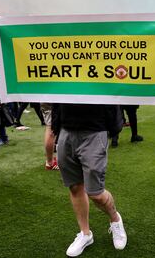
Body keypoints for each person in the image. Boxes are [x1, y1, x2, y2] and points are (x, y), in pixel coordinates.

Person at [52, 103, 127, 257]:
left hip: (95, 129)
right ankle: (85, 234)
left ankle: (115, 219)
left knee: (96, 193)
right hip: (66, 128)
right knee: (74, 186)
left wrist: (113, 127)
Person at [41, 103, 58, 170]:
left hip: (45, 96)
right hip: (59, 97)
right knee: (51, 128)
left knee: (49, 127)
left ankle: (50, 162)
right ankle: (50, 162)